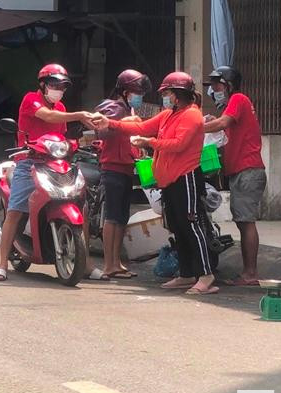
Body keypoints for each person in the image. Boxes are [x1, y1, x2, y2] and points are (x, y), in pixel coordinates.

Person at [96, 72, 217, 294]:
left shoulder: (191, 115)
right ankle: (187, 274)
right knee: (177, 227)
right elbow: (141, 127)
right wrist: (110, 123)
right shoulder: (169, 115)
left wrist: (149, 142)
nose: (166, 97)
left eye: (169, 93)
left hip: (185, 178)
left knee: (192, 225)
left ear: (178, 94)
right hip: (169, 181)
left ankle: (206, 275)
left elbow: (178, 144)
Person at [0, 64, 100, 282]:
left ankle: (85, 263)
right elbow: (47, 117)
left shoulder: (61, 107)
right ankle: (2, 264)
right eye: (54, 85)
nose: (58, 89)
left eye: (62, 86)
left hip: (56, 164)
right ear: (43, 85)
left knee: (81, 205)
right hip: (28, 163)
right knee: (15, 211)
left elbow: (61, 135)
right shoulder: (31, 99)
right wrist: (78, 114)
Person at [203, 66, 265, 286]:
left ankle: (250, 274)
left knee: (246, 221)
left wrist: (193, 128)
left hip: (248, 170)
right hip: (242, 170)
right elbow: (222, 128)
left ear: (228, 85)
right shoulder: (234, 104)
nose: (214, 90)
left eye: (217, 85)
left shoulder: (239, 98)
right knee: (242, 221)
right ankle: (248, 273)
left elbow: (222, 124)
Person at [88, 69, 151, 281]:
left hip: (126, 168)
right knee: (112, 217)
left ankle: (117, 262)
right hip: (112, 168)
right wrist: (129, 123)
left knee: (122, 217)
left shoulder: (129, 111)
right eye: (136, 91)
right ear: (124, 91)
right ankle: (109, 264)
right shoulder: (111, 107)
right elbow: (103, 130)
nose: (139, 95)